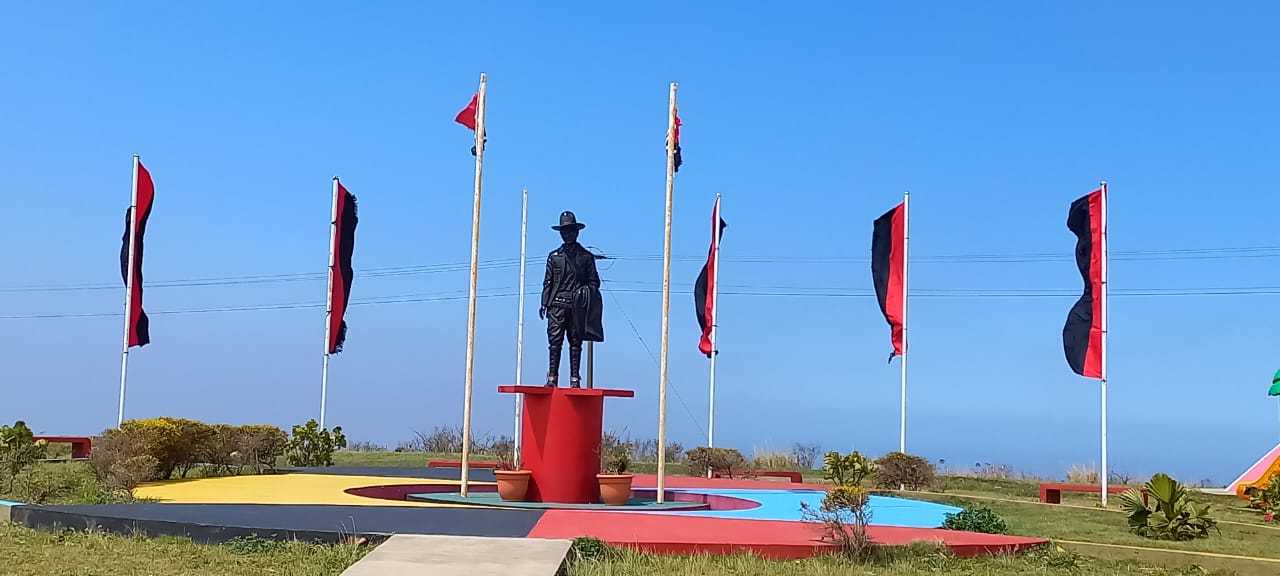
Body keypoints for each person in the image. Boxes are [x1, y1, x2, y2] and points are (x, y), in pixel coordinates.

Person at [540, 211, 603, 387]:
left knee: (575, 342)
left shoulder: (586, 257)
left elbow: (594, 282)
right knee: (554, 342)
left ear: (576, 232)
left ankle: (575, 379)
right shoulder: (554, 256)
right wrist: (544, 303)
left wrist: (583, 293)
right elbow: (548, 282)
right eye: (564, 232)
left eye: (570, 231)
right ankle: (552, 377)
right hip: (556, 305)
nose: (567, 235)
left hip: (576, 306)